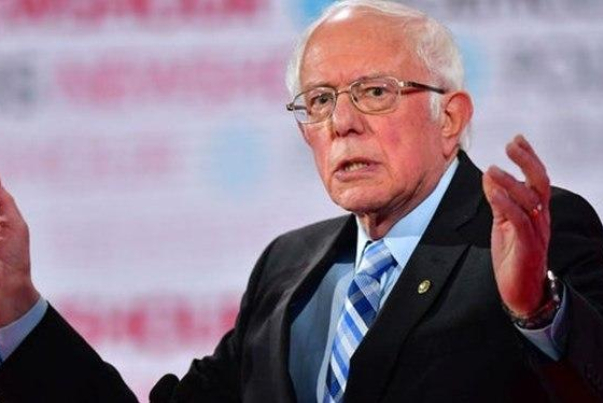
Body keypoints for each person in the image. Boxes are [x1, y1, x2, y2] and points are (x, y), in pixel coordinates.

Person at [1, 1, 602, 402]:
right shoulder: (288, 269)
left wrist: (540, 313)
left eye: (374, 92)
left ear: (449, 118)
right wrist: (17, 309)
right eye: (318, 101)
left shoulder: (528, 236)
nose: (342, 122)